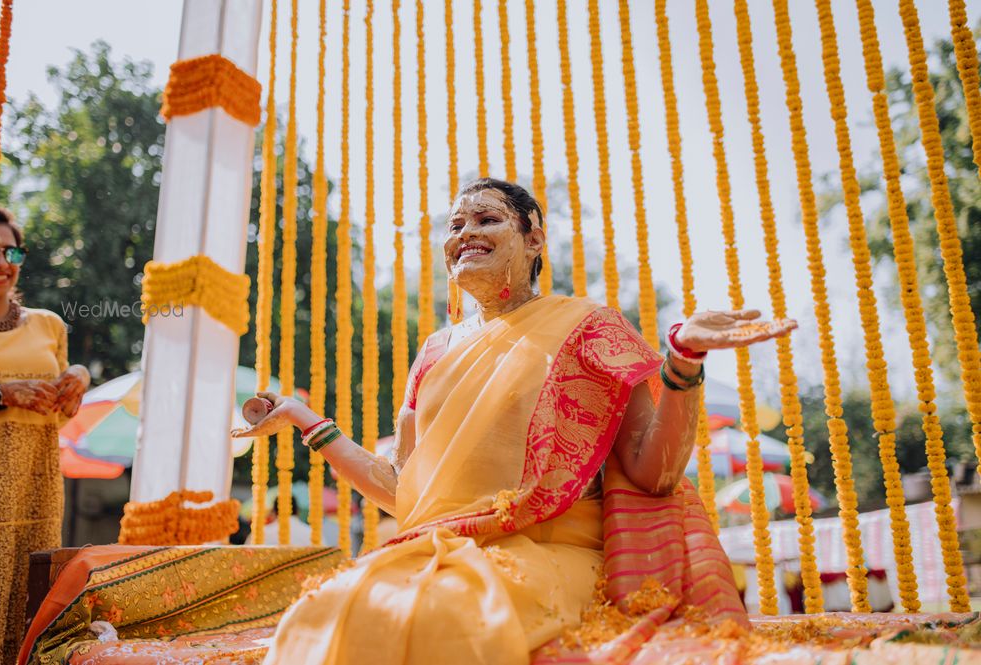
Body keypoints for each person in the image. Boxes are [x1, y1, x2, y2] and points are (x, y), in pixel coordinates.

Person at [232, 179, 796, 664]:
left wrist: (683, 360)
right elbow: (401, 489)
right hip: (438, 549)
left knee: (440, 618)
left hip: (557, 553)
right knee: (322, 609)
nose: (465, 234)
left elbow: (656, 475)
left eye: (487, 218)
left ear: (534, 239)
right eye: (456, 224)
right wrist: (305, 420)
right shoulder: (435, 351)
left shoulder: (588, 327)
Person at [0, 206, 90, 663]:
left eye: (11, 251)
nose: (0, 261)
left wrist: (77, 379)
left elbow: (60, 415)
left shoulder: (49, 324)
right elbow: (4, 395)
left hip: (38, 482)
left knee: (32, 598)